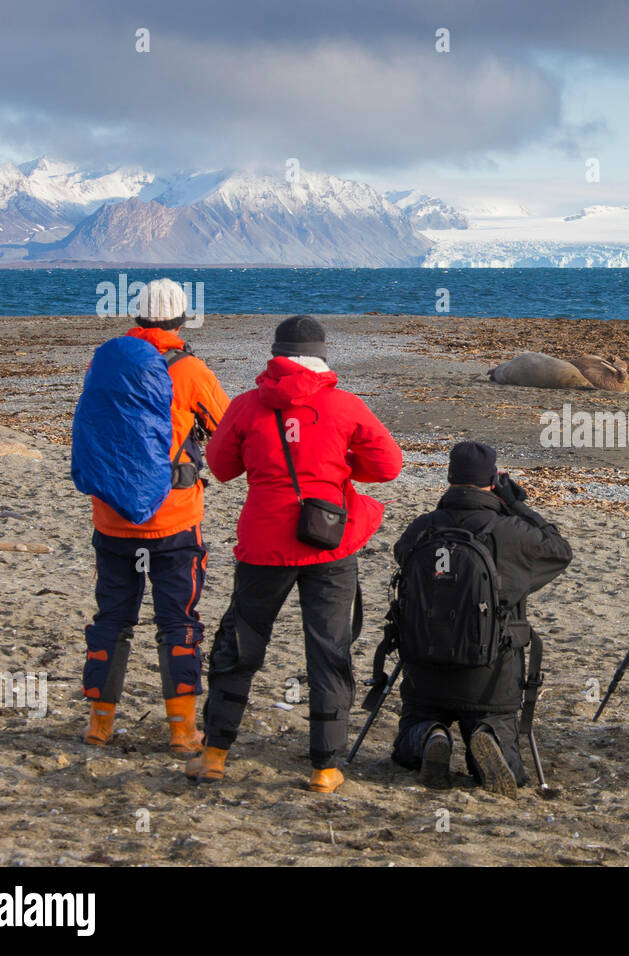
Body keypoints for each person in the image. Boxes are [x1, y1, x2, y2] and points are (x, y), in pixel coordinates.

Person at [186, 315, 402, 792]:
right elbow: (388, 467)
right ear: (323, 354)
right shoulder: (345, 406)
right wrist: (337, 475)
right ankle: (324, 767)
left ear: (276, 354)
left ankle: (216, 754)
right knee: (329, 651)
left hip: (264, 544)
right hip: (328, 543)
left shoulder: (245, 407)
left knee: (239, 647)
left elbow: (221, 468)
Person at [80, 278, 229, 757]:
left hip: (111, 517)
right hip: (173, 521)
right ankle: (183, 732)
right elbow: (226, 432)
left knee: (111, 620)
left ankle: (98, 725)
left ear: (137, 316)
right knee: (178, 623)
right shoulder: (190, 369)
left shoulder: (105, 362)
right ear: (182, 319)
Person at [390, 441, 572, 798]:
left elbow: (401, 559)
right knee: (497, 732)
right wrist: (517, 505)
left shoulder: (420, 529)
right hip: (490, 674)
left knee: (412, 730)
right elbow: (559, 550)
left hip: (424, 671)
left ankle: (429, 735)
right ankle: (486, 737)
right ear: (493, 481)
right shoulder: (509, 532)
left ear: (449, 478)